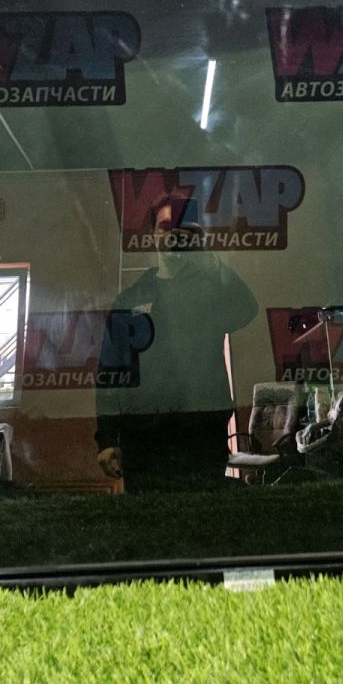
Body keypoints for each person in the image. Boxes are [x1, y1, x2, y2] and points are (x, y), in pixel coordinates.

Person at [95, 193, 258, 492]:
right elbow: (111, 371)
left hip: (202, 436)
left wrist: (206, 255)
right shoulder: (131, 299)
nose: (174, 233)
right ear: (152, 235)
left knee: (202, 515)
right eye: (165, 226)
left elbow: (246, 310)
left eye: (183, 227)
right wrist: (106, 440)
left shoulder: (211, 290)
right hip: (143, 440)